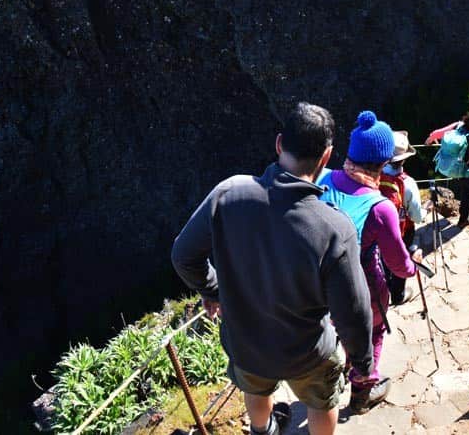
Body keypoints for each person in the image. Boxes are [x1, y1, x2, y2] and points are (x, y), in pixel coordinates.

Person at [171, 102, 374, 435]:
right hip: (308, 352)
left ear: (279, 144)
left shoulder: (228, 194)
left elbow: (183, 256)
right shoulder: (334, 227)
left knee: (256, 387)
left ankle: (262, 430)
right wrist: (362, 361)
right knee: (323, 402)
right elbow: (353, 309)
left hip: (246, 343)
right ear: (327, 157)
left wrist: (214, 290)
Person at [318, 111, 423, 413]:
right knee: (371, 333)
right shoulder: (380, 208)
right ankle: (362, 391)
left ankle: (340, 368)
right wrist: (413, 266)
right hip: (362, 287)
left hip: (320, 285)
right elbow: (398, 265)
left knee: (337, 327)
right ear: (383, 161)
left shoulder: (323, 179)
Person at [378, 131, 425, 304]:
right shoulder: (407, 183)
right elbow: (416, 216)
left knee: (381, 258)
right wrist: (425, 212)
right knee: (400, 259)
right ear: (404, 159)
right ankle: (398, 295)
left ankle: (383, 289)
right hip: (401, 231)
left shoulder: (372, 176)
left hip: (376, 230)